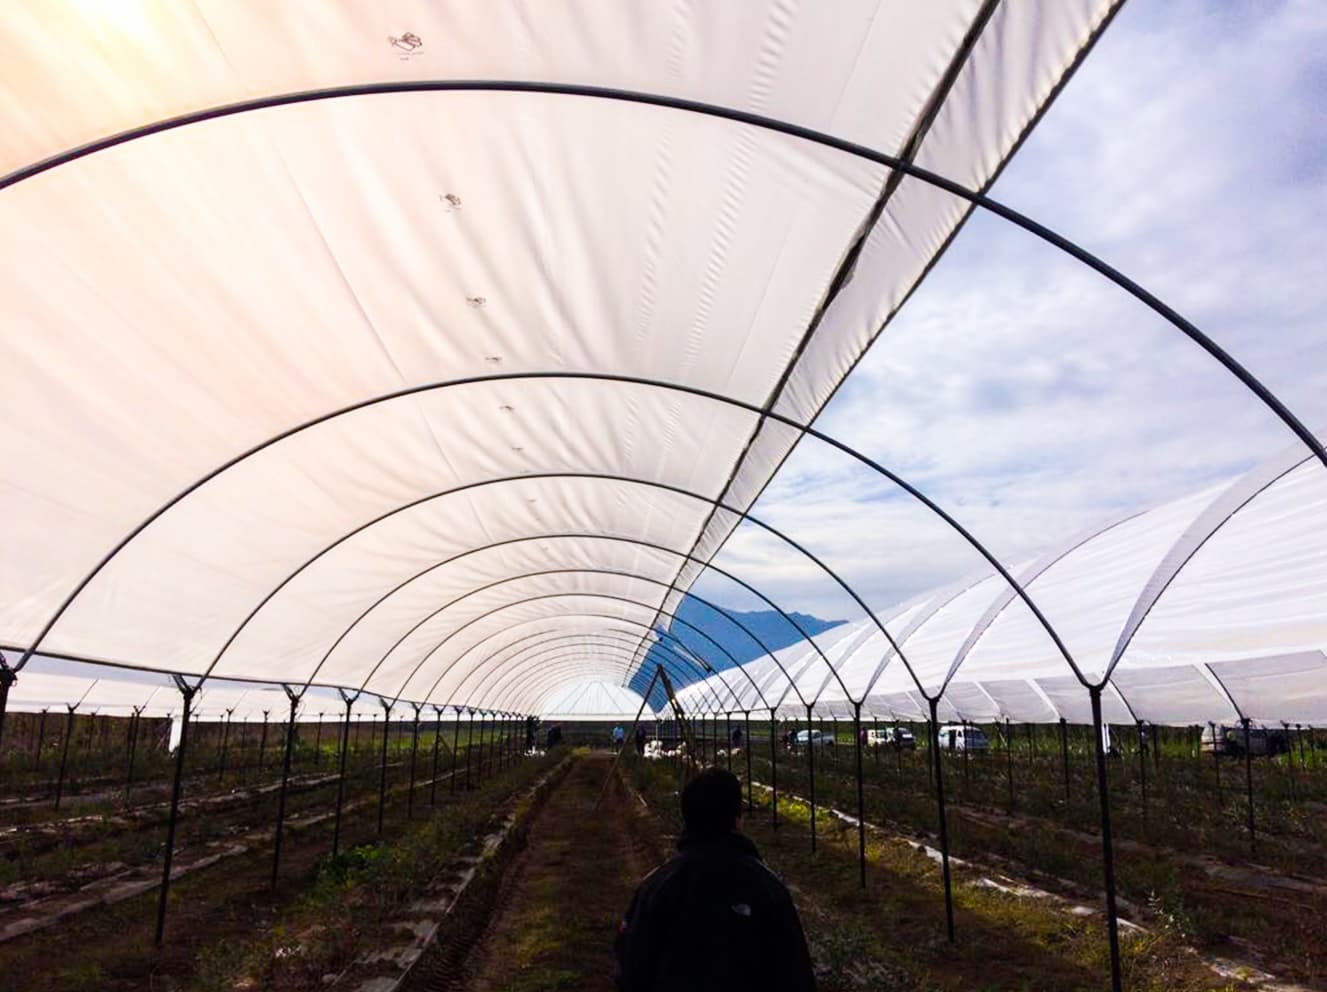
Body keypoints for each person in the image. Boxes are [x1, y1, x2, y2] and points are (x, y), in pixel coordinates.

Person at [614, 768, 816, 991]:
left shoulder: (656, 886)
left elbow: (630, 970)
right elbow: (796, 975)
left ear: (686, 818)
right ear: (737, 820)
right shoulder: (767, 889)